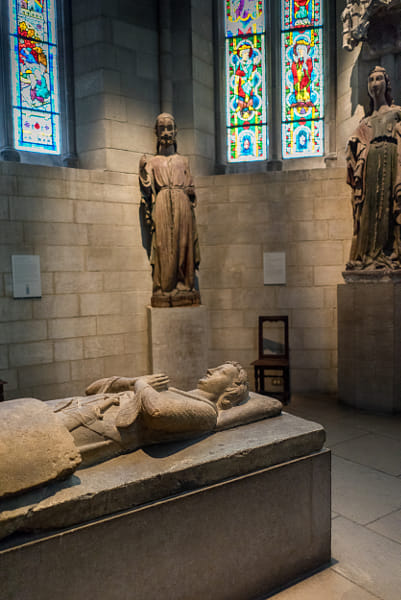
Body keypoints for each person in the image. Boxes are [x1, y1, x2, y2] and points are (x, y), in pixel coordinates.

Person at [50, 362, 281, 467]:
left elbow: (158, 412)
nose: (210, 370)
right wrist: (132, 381)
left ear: (229, 391)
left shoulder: (206, 413)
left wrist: (140, 384)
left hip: (92, 428)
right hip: (73, 406)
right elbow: (91, 389)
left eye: (220, 371)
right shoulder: (175, 391)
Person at [139, 113, 200, 307]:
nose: (166, 132)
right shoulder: (153, 162)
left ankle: (186, 286)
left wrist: (188, 191)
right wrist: (142, 173)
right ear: (156, 132)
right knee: (164, 245)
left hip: (182, 204)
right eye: (162, 128)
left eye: (169, 128)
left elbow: (191, 186)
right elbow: (147, 190)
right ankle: (165, 288)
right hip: (163, 203)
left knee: (184, 244)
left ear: (176, 131)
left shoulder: (184, 161)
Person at [346, 66, 401, 270]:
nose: (374, 83)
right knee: (368, 208)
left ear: (386, 83)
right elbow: (355, 144)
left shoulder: (397, 113)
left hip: (391, 158)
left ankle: (389, 252)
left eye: (378, 79)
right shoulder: (366, 121)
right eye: (370, 80)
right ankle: (368, 255)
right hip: (370, 163)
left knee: (388, 205)